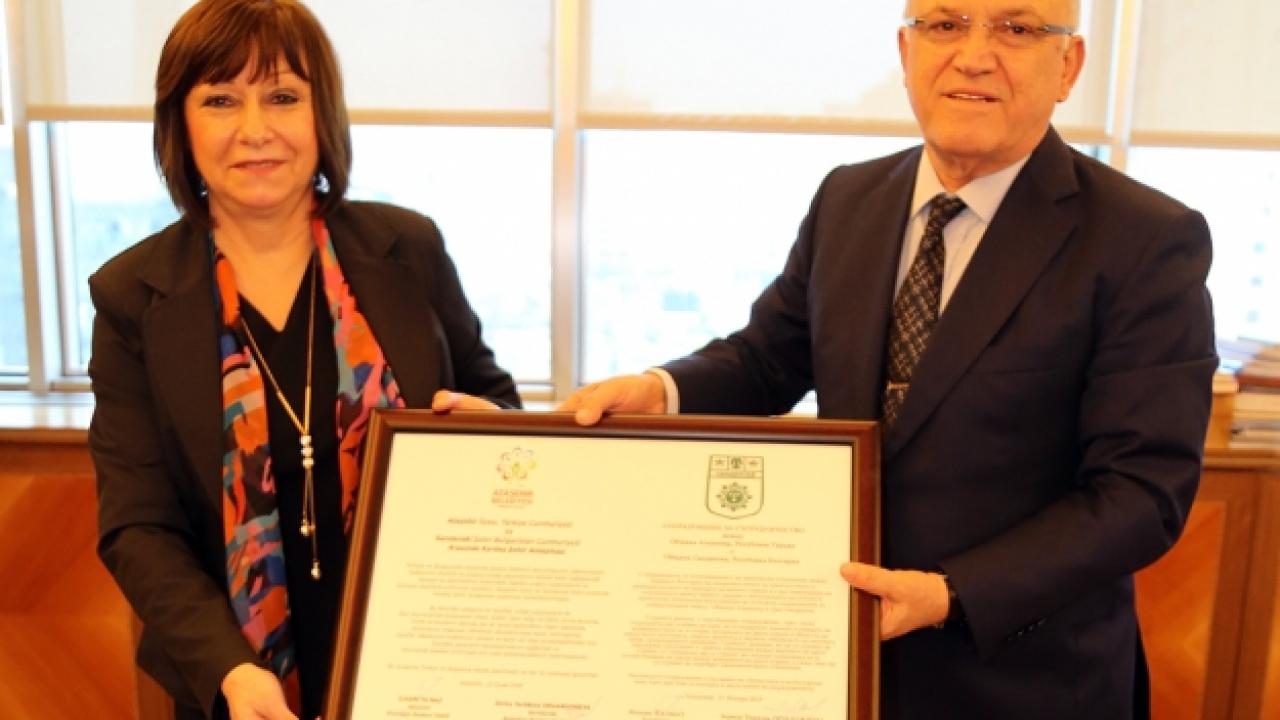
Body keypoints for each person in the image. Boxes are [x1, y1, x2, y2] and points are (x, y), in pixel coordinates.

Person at [559, 1, 1216, 717]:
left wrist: (951, 593)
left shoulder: (1144, 238)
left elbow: (1140, 494)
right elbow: (767, 359)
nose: (973, 56)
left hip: (1025, 680)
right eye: (945, 24)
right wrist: (659, 391)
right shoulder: (849, 198)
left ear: (1069, 65)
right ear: (906, 53)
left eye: (1017, 28)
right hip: (840, 664)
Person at [86, 1, 519, 718]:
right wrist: (228, 668)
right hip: (241, 685)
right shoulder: (132, 294)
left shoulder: (407, 250)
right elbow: (139, 526)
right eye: (221, 100)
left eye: (283, 96)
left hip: (423, 663)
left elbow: (495, 404)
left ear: (324, 115)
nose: (255, 129)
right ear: (179, 124)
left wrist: (490, 431)